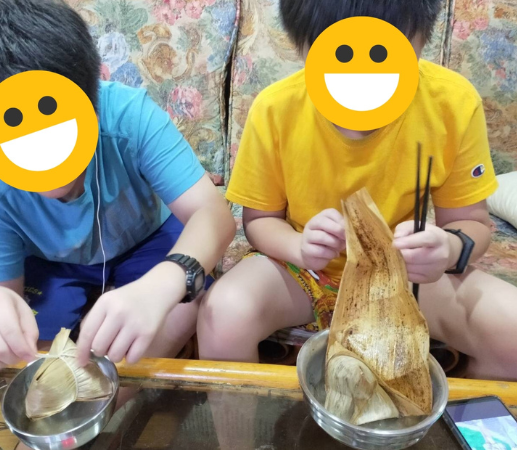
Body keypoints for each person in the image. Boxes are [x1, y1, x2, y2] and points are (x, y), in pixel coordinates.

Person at [198, 0, 517, 381]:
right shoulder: (275, 108)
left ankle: (443, 416)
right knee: (222, 314)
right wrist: (299, 247)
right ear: (302, 47)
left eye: (383, 58)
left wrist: (448, 248)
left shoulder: (452, 102)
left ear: (420, 41)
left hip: (404, 274)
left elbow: (472, 223)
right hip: (301, 271)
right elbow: (260, 221)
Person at [0, 0, 236, 375]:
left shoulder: (127, 114)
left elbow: (212, 213)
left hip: (148, 238)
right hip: (49, 264)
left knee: (182, 301)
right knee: (29, 354)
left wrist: (164, 283)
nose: (43, 156)